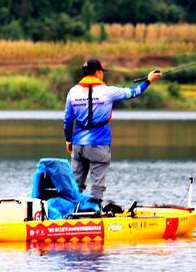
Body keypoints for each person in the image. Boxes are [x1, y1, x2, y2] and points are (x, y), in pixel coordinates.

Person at [63, 59, 162, 205]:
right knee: (97, 187)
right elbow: (134, 92)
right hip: (99, 145)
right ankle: (93, 215)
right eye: (102, 72)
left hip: (78, 145)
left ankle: (69, 214)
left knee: (75, 186)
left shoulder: (73, 92)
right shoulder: (108, 91)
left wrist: (68, 140)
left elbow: (67, 119)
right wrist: (148, 80)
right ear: (97, 72)